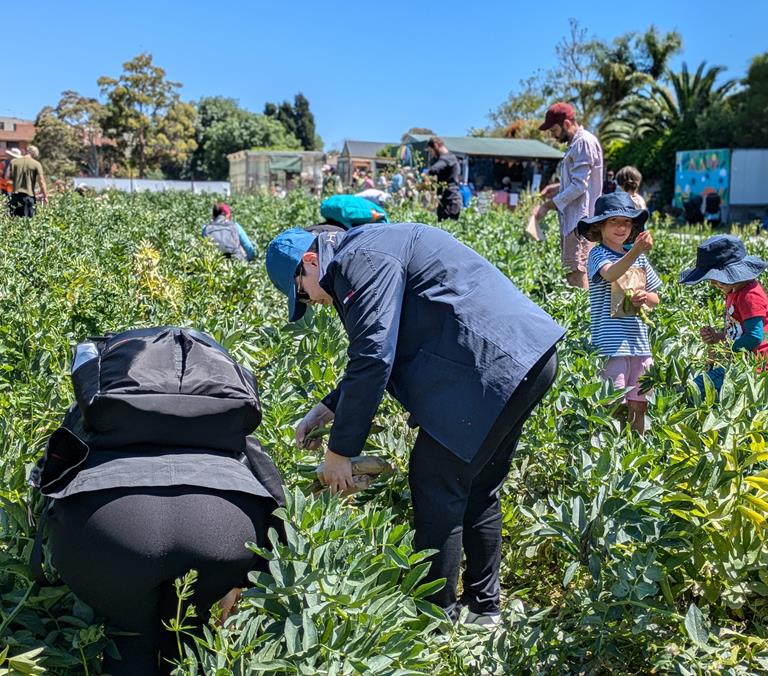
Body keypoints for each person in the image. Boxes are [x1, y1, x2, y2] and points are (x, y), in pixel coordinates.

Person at [265, 222, 563, 625]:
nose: (312, 302)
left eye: (302, 292)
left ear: (311, 260)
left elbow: (373, 357)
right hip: (526, 357)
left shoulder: (358, 260)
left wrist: (340, 453)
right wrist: (328, 407)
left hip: (491, 365)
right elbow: (388, 341)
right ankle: (484, 610)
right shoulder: (367, 246)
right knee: (476, 487)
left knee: (434, 480)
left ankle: (437, 618)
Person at [34, 328, 282, 675]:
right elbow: (270, 483)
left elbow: (50, 471)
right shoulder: (224, 405)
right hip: (222, 525)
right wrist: (250, 576)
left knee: (129, 634)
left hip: (109, 527)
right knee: (187, 635)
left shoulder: (102, 397)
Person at [578, 193, 661, 435]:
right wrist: (635, 251)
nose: (621, 227)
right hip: (611, 345)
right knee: (612, 402)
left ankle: (637, 446)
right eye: (613, 221)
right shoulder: (598, 254)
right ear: (600, 226)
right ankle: (609, 447)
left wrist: (645, 298)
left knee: (640, 402)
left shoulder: (641, 259)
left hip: (639, 343)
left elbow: (656, 298)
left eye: (626, 222)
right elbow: (611, 274)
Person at [678, 235, 768, 396]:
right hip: (741, 362)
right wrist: (718, 337)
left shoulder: (750, 296)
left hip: (758, 366)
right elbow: (739, 332)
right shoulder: (734, 291)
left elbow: (754, 337)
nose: (713, 283)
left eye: (716, 279)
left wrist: (724, 350)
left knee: (697, 390)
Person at [538, 102, 604, 288]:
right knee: (575, 272)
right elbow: (580, 181)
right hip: (575, 221)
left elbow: (579, 187)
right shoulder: (576, 143)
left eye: (554, 130)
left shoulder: (583, 142)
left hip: (579, 221)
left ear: (566, 123)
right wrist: (557, 187)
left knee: (576, 274)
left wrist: (548, 205)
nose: (552, 135)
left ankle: (582, 317)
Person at [423, 136, 462, 221]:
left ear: (436, 145)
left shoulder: (448, 158)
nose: (432, 154)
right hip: (445, 199)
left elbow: (434, 169)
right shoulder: (448, 158)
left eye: (431, 151)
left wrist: (426, 174)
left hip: (451, 200)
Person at [8, 145, 48, 218]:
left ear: (26, 151)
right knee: (28, 224)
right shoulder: (36, 164)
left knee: (13, 223)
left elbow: (8, 178)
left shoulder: (13, 162)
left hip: (14, 197)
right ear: (34, 155)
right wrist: (45, 196)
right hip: (28, 197)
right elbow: (41, 181)